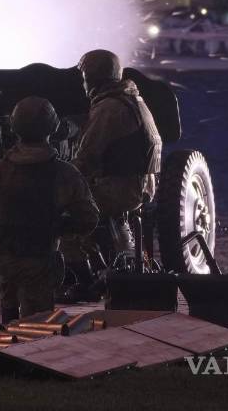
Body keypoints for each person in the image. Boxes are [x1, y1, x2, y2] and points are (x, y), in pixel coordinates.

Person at [0, 97, 99, 323]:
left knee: (8, 321)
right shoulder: (65, 173)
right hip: (41, 261)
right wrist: (60, 228)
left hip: (5, 261)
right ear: (53, 128)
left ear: (14, 127)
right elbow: (89, 218)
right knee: (37, 328)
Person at [68, 50, 161, 294]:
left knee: (63, 216)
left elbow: (86, 158)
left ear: (94, 78)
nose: (83, 83)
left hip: (119, 189)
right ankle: (107, 268)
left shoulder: (108, 108)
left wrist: (58, 179)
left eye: (85, 77)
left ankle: (89, 279)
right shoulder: (133, 100)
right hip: (138, 185)